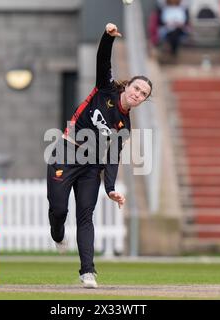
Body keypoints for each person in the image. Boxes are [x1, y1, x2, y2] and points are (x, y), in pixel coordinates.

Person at [46, 23, 152, 288]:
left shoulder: (124, 127)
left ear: (142, 100)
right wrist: (108, 37)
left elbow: (112, 157)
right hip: (65, 151)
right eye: (136, 89)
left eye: (143, 94)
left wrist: (111, 188)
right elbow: (103, 60)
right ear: (128, 86)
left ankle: (88, 271)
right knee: (58, 209)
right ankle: (57, 235)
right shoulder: (105, 90)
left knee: (85, 215)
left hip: (91, 165)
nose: (137, 95)